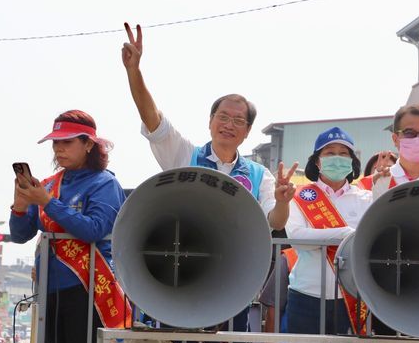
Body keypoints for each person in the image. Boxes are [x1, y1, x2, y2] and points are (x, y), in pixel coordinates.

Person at [121, 23, 297, 231]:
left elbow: (275, 222)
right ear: (210, 121)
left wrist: (283, 202)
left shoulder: (260, 175)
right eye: (223, 117)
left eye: (238, 121)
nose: (229, 125)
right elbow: (153, 120)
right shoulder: (185, 156)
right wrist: (134, 71)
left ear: (247, 131)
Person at [9, 110, 128, 343]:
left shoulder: (105, 183)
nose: (59, 149)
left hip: (88, 290)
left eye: (67, 142)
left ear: (88, 144)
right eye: (56, 143)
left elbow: (94, 229)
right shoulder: (49, 185)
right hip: (50, 291)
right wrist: (20, 205)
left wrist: (47, 202)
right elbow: (19, 235)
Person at [285, 127, 372, 343]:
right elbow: (297, 237)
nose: (337, 157)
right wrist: (346, 234)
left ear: (353, 161)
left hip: (351, 297)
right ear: (317, 161)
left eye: (343, 153)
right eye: (329, 152)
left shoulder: (366, 199)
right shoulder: (299, 196)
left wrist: (321, 238)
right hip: (306, 294)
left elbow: (369, 240)